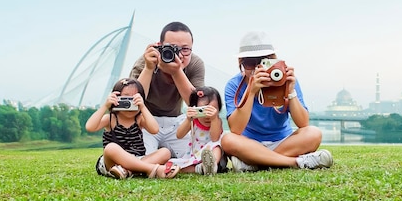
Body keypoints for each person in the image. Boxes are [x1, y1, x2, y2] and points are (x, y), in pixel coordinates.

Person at [221, 31, 334, 172]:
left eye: (264, 61)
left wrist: (290, 90)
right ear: (241, 63)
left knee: (314, 133)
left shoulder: (284, 79)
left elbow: (303, 124)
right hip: (249, 144)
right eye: (250, 62)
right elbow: (236, 129)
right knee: (228, 140)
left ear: (274, 60)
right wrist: (251, 92)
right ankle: (296, 162)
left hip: (283, 142)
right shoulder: (234, 85)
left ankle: (254, 163)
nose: (258, 68)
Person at [129, 21, 205, 158]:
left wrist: (176, 72)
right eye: (172, 48)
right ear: (159, 46)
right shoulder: (146, 61)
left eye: (185, 49)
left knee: (195, 156)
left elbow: (197, 104)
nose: (179, 55)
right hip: (146, 121)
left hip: (176, 122)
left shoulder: (195, 64)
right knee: (138, 155)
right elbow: (133, 102)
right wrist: (148, 69)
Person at [85, 78, 180, 179]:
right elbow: (90, 127)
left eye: (134, 99)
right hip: (112, 163)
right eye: (126, 99)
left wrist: (143, 107)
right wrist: (105, 106)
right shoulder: (111, 118)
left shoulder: (139, 119)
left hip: (137, 158)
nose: (130, 104)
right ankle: (152, 169)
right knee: (110, 148)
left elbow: (155, 129)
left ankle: (128, 171)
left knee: (165, 152)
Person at [173, 86, 224, 175]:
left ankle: (212, 165)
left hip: (212, 154)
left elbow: (215, 138)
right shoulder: (193, 121)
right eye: (202, 110)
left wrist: (214, 119)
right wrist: (188, 119)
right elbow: (179, 135)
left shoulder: (217, 121)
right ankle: (200, 169)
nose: (207, 115)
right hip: (195, 155)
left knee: (216, 146)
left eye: (212, 109)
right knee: (178, 166)